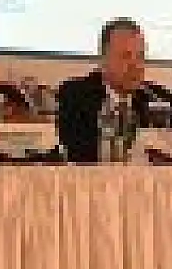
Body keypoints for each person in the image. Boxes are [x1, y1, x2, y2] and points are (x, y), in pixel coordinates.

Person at [55, 18, 154, 162]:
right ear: (103, 59)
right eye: (125, 56)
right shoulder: (76, 95)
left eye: (140, 56)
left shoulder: (155, 98)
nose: (136, 65)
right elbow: (74, 154)